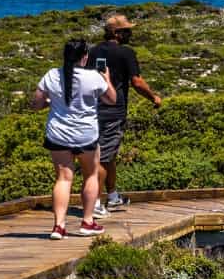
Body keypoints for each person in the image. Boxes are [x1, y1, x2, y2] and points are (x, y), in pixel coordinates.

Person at [30, 38, 115, 239]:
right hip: (86, 135)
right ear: (85, 57)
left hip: (58, 135)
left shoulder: (51, 75)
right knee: (91, 175)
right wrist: (107, 79)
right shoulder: (94, 77)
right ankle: (87, 221)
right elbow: (111, 100)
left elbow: (35, 104)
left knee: (63, 178)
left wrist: (51, 103)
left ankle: (58, 226)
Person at [87, 14, 162, 215]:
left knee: (106, 154)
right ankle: (94, 204)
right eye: (127, 30)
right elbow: (136, 82)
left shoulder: (94, 51)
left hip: (93, 110)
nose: (131, 33)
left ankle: (112, 197)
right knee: (103, 158)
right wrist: (153, 97)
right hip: (114, 110)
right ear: (117, 33)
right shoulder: (126, 53)